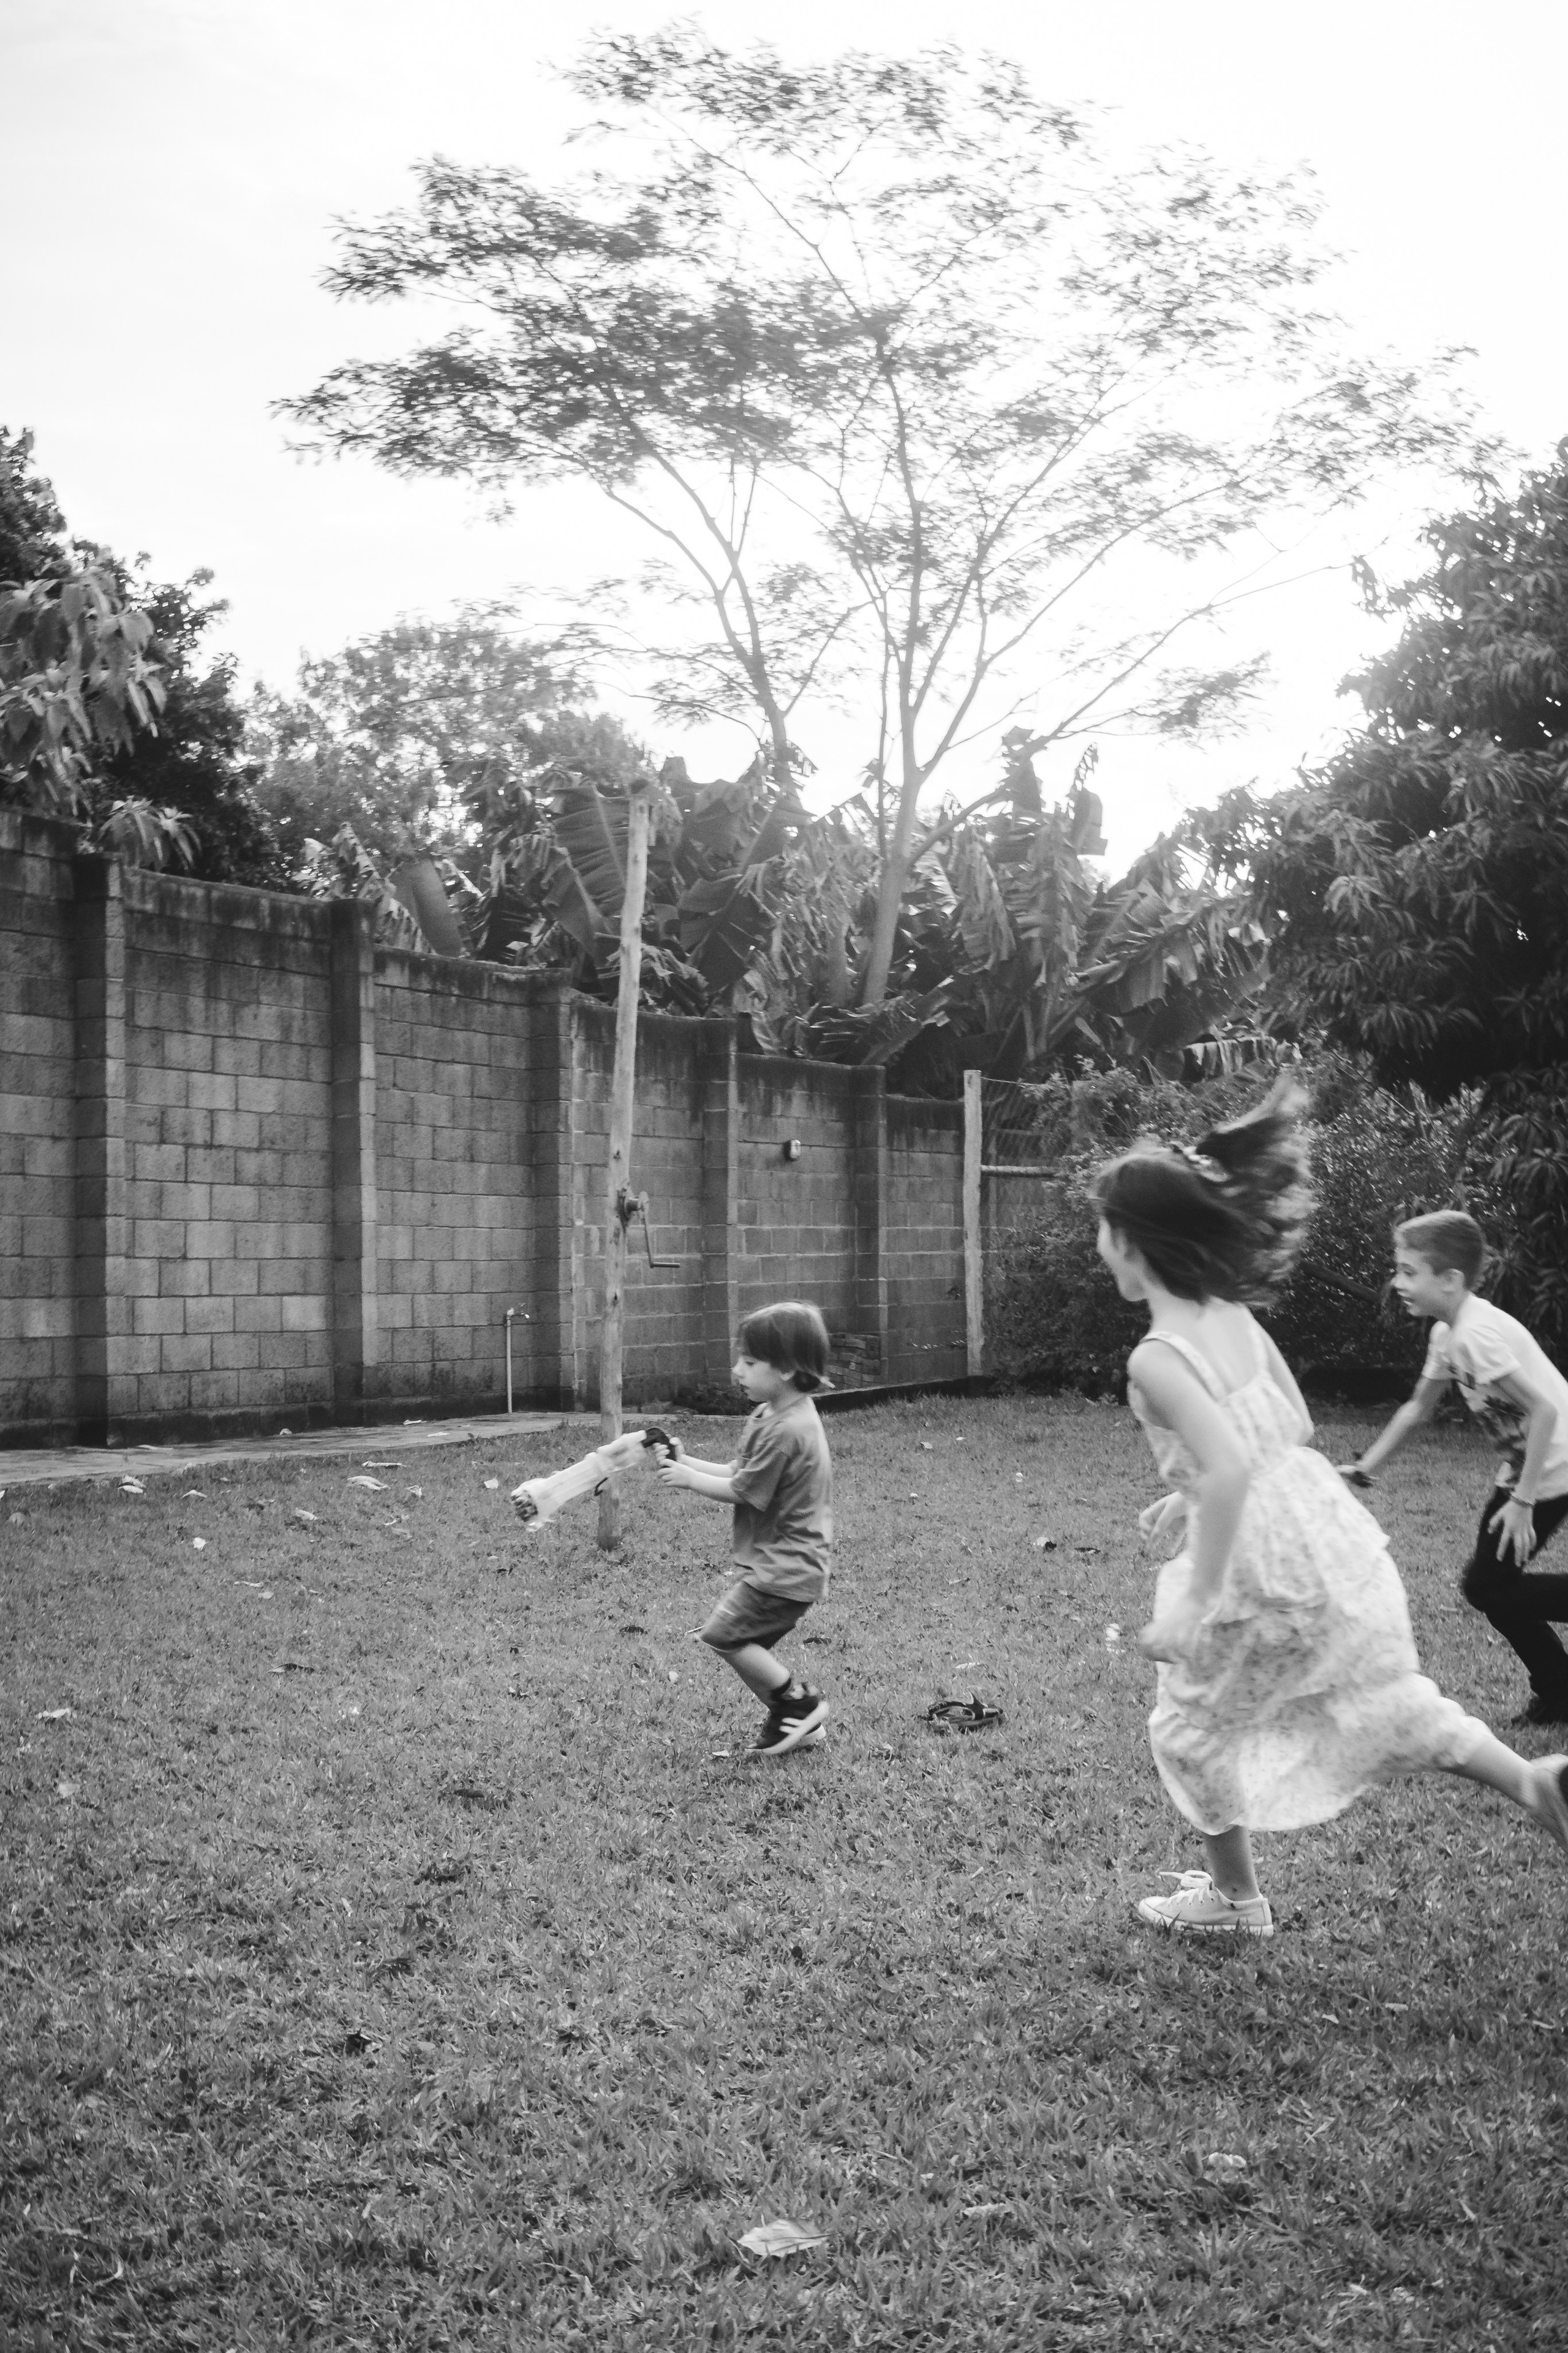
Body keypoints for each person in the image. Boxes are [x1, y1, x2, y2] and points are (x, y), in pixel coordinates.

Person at [1091, 1082, 1568, 1938]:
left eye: (1103, 1232)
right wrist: (1186, 1490)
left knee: (1190, 1729)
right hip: (1319, 1537)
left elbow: (1232, 1462)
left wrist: (1196, 1596)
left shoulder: (1156, 1357)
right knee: (1384, 1697)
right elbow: (1290, 1426)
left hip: (1253, 1565)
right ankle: (1529, 1780)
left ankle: (1236, 1901)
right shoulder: (1232, 1314)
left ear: (1130, 1244)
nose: (1101, 1247)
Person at [1338, 1211, 1568, 1728]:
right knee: (1492, 1587)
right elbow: (1418, 1407)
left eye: (1408, 1271)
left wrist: (1524, 1500)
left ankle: (1558, 1687)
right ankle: (1559, 1690)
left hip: (1554, 1466)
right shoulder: (1448, 1333)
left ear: (1451, 1280)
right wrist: (1364, 1469)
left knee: (1488, 1587)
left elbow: (1546, 1412)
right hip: (1528, 1467)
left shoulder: (1475, 1335)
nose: (1397, 1283)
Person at [657, 1300, 834, 1757]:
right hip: (780, 1562)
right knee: (737, 1638)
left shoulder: (788, 1429)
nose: (737, 1370)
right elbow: (741, 1468)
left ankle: (799, 1705)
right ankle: (794, 1719)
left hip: (787, 1566)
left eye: (750, 1362)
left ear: (790, 1369)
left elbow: (741, 1488)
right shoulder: (770, 1413)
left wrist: (689, 1480)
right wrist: (686, 1458)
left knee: (723, 1634)